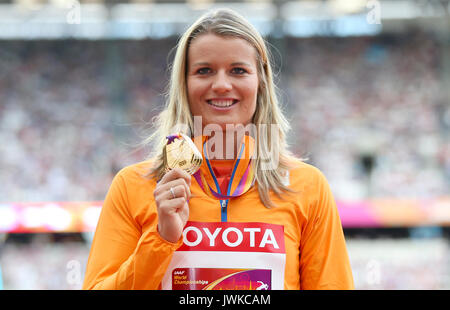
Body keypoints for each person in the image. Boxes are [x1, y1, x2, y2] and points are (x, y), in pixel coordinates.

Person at [83, 8, 354, 290]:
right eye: (204, 71)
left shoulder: (307, 187)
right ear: (184, 85)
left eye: (238, 70)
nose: (222, 84)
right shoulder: (134, 186)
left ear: (260, 83)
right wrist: (161, 240)